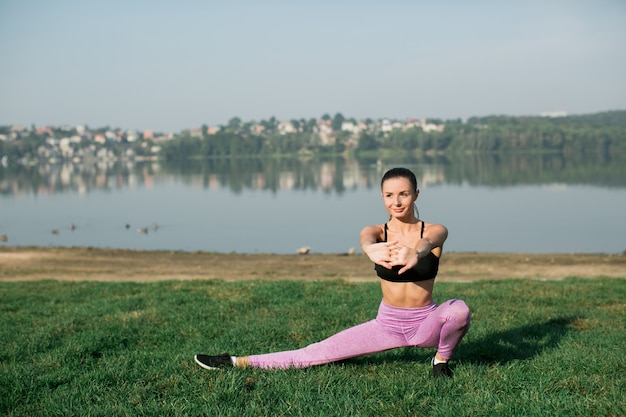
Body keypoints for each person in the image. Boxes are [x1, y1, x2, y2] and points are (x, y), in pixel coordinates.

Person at [195, 167, 470, 377]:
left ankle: (440, 360)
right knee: (313, 353)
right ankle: (233, 361)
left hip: (425, 323)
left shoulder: (432, 230)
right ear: (382, 197)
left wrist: (417, 252)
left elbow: (432, 240)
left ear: (416, 195)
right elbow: (365, 238)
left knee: (459, 311)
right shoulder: (377, 232)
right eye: (389, 195)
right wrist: (369, 249)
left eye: (404, 194)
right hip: (387, 324)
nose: (396, 201)